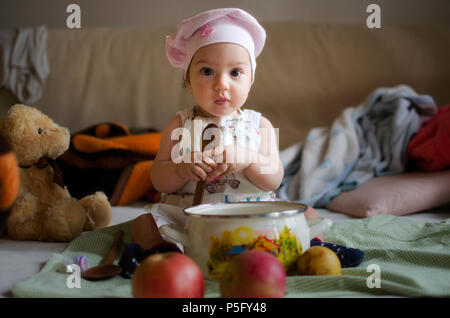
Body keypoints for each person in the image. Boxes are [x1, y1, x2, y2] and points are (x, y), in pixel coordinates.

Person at [132, 8, 319, 252]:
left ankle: (316, 250)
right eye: (207, 71)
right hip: (190, 219)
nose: (221, 84)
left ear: (250, 78)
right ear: (188, 79)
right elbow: (158, 179)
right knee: (144, 223)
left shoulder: (259, 125)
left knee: (309, 214)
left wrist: (248, 159)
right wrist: (181, 168)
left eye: (235, 72)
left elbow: (274, 178)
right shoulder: (179, 124)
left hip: (252, 215)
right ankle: (166, 255)